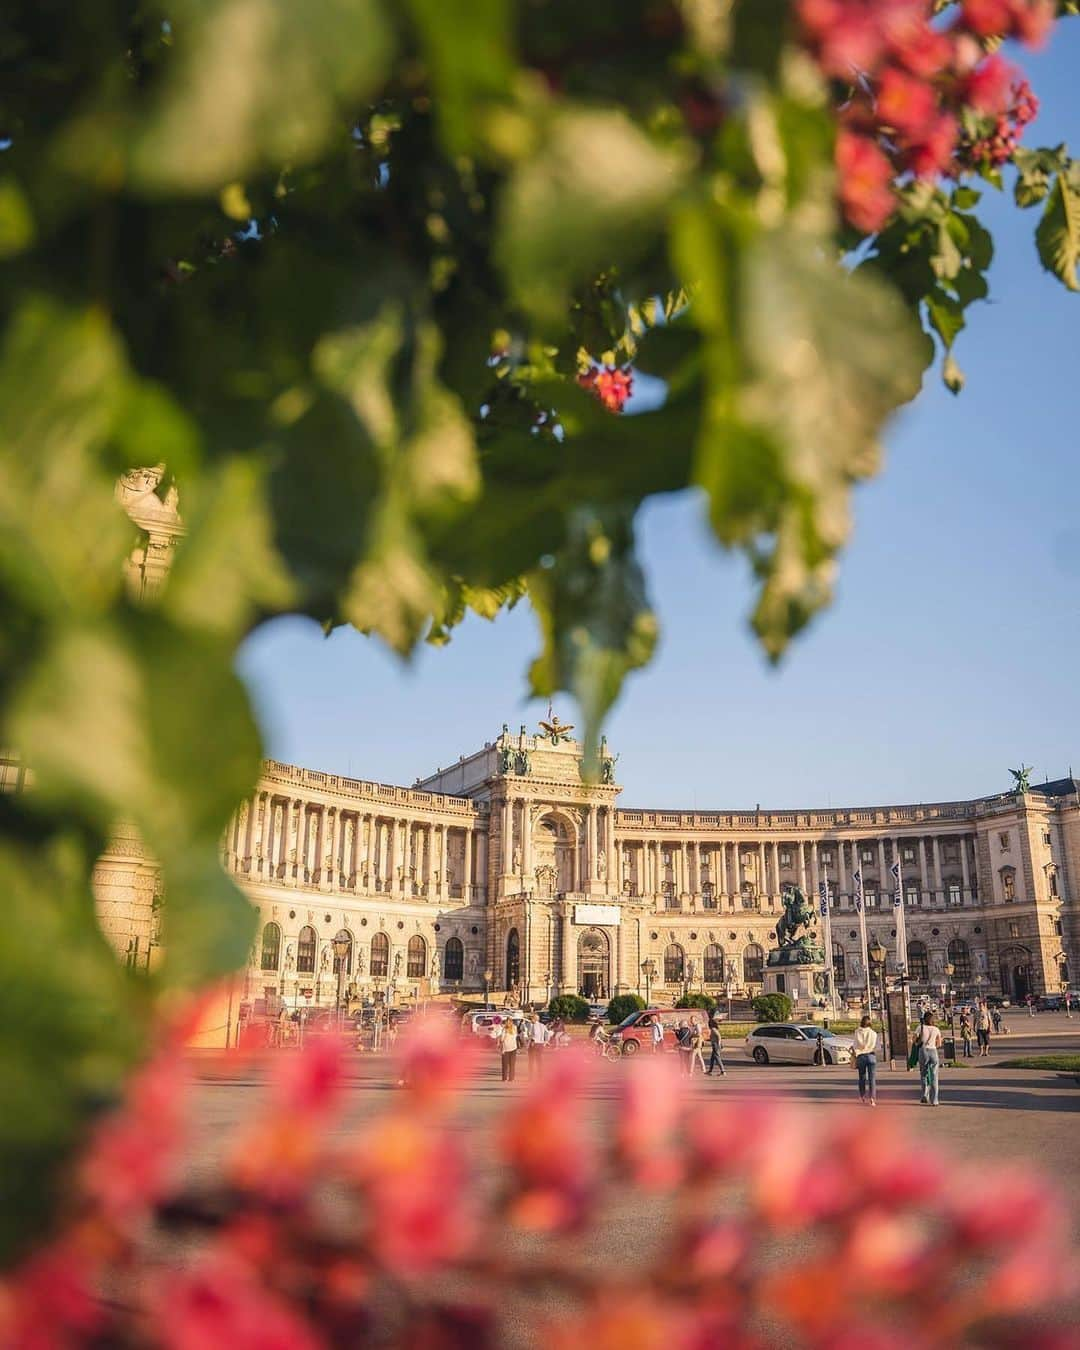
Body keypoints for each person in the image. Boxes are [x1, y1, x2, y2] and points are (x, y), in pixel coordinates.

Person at [917, 1012, 943, 1106]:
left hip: (923, 1051)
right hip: (933, 1052)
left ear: (924, 1019)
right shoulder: (936, 1029)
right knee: (934, 1076)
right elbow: (939, 1044)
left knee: (924, 1074)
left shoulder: (920, 1028)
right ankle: (935, 1100)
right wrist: (933, 1045)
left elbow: (914, 1040)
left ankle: (925, 1094)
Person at [852, 1014, 878, 1106]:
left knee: (862, 1077)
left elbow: (855, 1045)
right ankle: (872, 1098)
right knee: (872, 1078)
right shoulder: (873, 1033)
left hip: (861, 1056)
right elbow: (876, 1046)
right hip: (871, 1055)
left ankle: (862, 1096)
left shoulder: (857, 1032)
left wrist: (857, 1051)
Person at [499, 1017, 519, 1082]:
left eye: (509, 1022)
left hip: (512, 1048)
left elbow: (502, 1039)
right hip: (506, 1048)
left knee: (511, 1064)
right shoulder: (505, 1029)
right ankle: (506, 1078)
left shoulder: (512, 1028)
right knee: (506, 1064)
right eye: (507, 1022)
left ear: (511, 1022)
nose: (508, 1023)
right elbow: (502, 1039)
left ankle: (510, 1078)